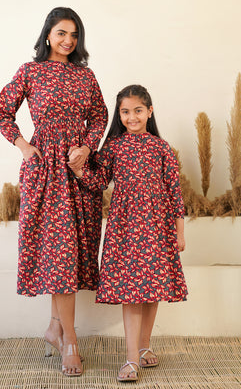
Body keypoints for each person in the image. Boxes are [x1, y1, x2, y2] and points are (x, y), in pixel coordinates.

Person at [0, 7, 108, 377]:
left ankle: (55, 328)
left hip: (77, 170)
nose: (68, 41)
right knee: (58, 253)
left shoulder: (85, 75)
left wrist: (87, 148)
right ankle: (70, 339)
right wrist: (24, 145)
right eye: (61, 33)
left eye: (74, 35)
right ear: (47, 36)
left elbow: (101, 116)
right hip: (44, 170)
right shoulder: (30, 71)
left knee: (73, 250)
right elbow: (1, 111)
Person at [68, 85, 188, 382]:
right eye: (125, 112)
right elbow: (97, 182)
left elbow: (175, 194)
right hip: (125, 228)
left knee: (152, 290)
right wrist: (78, 169)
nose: (131, 117)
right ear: (118, 114)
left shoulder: (162, 149)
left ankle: (145, 346)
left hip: (158, 228)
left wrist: (179, 233)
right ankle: (131, 359)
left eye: (137, 110)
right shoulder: (113, 148)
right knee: (132, 293)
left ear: (150, 110)